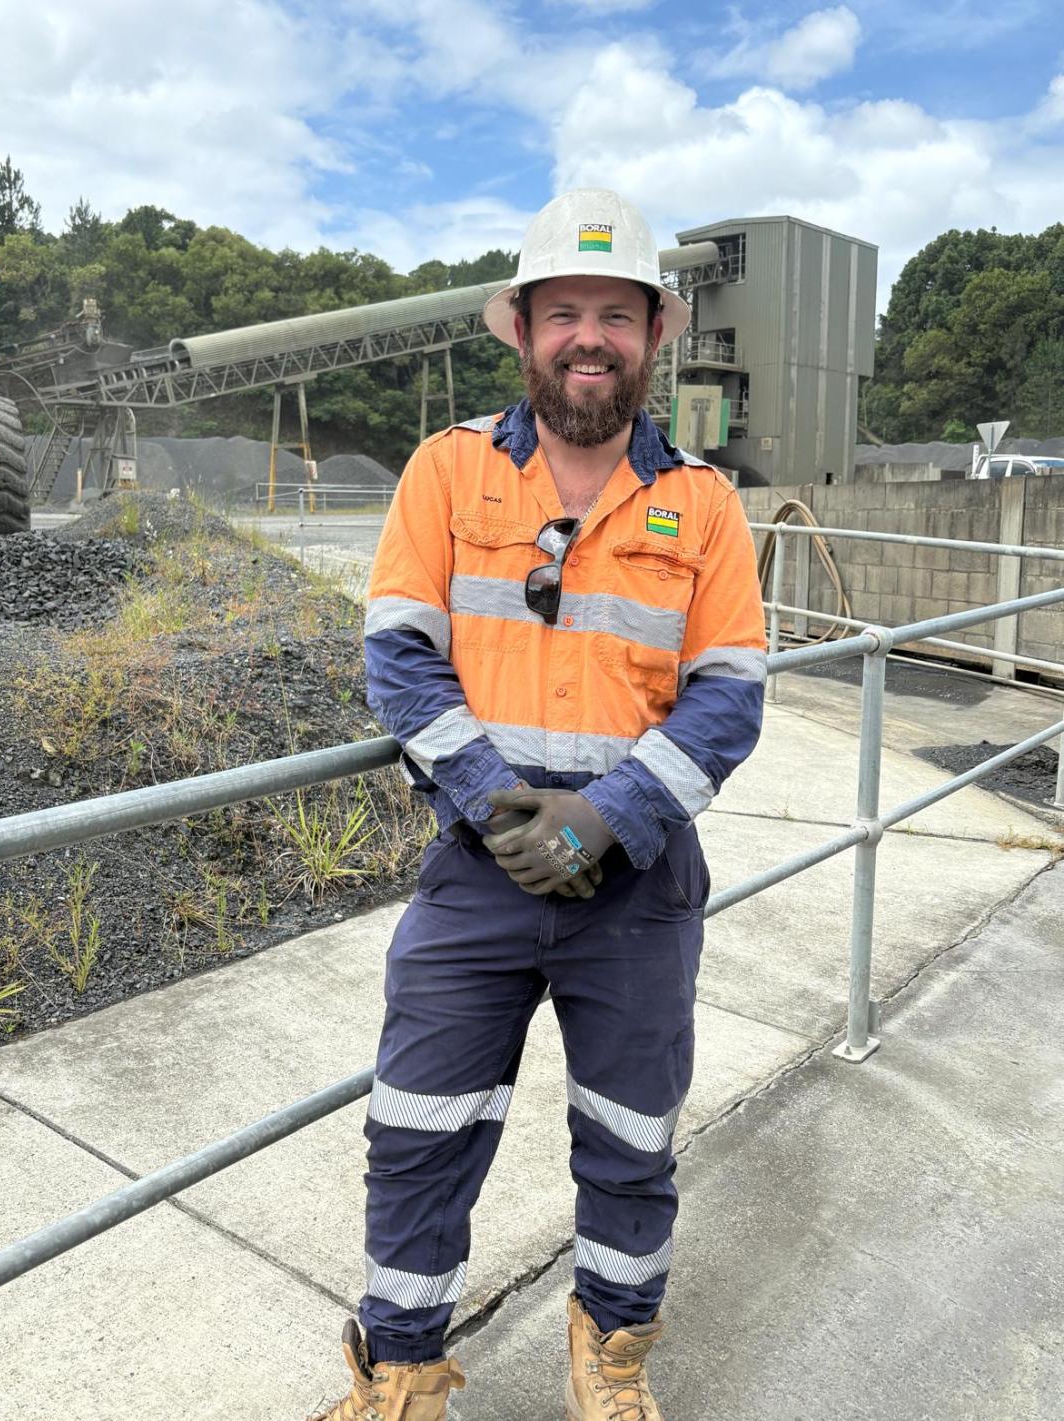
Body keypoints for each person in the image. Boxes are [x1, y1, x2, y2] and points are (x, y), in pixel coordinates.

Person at [309, 188, 766, 1421]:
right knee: (418, 1127)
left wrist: (607, 816)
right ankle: (401, 1366)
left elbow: (728, 697)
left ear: (652, 337)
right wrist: (503, 806)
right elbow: (399, 657)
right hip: (479, 869)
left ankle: (611, 1350)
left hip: (639, 881)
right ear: (520, 329)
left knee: (631, 1137)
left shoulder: (705, 505)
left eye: (614, 314)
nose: (588, 337)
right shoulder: (449, 472)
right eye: (563, 309)